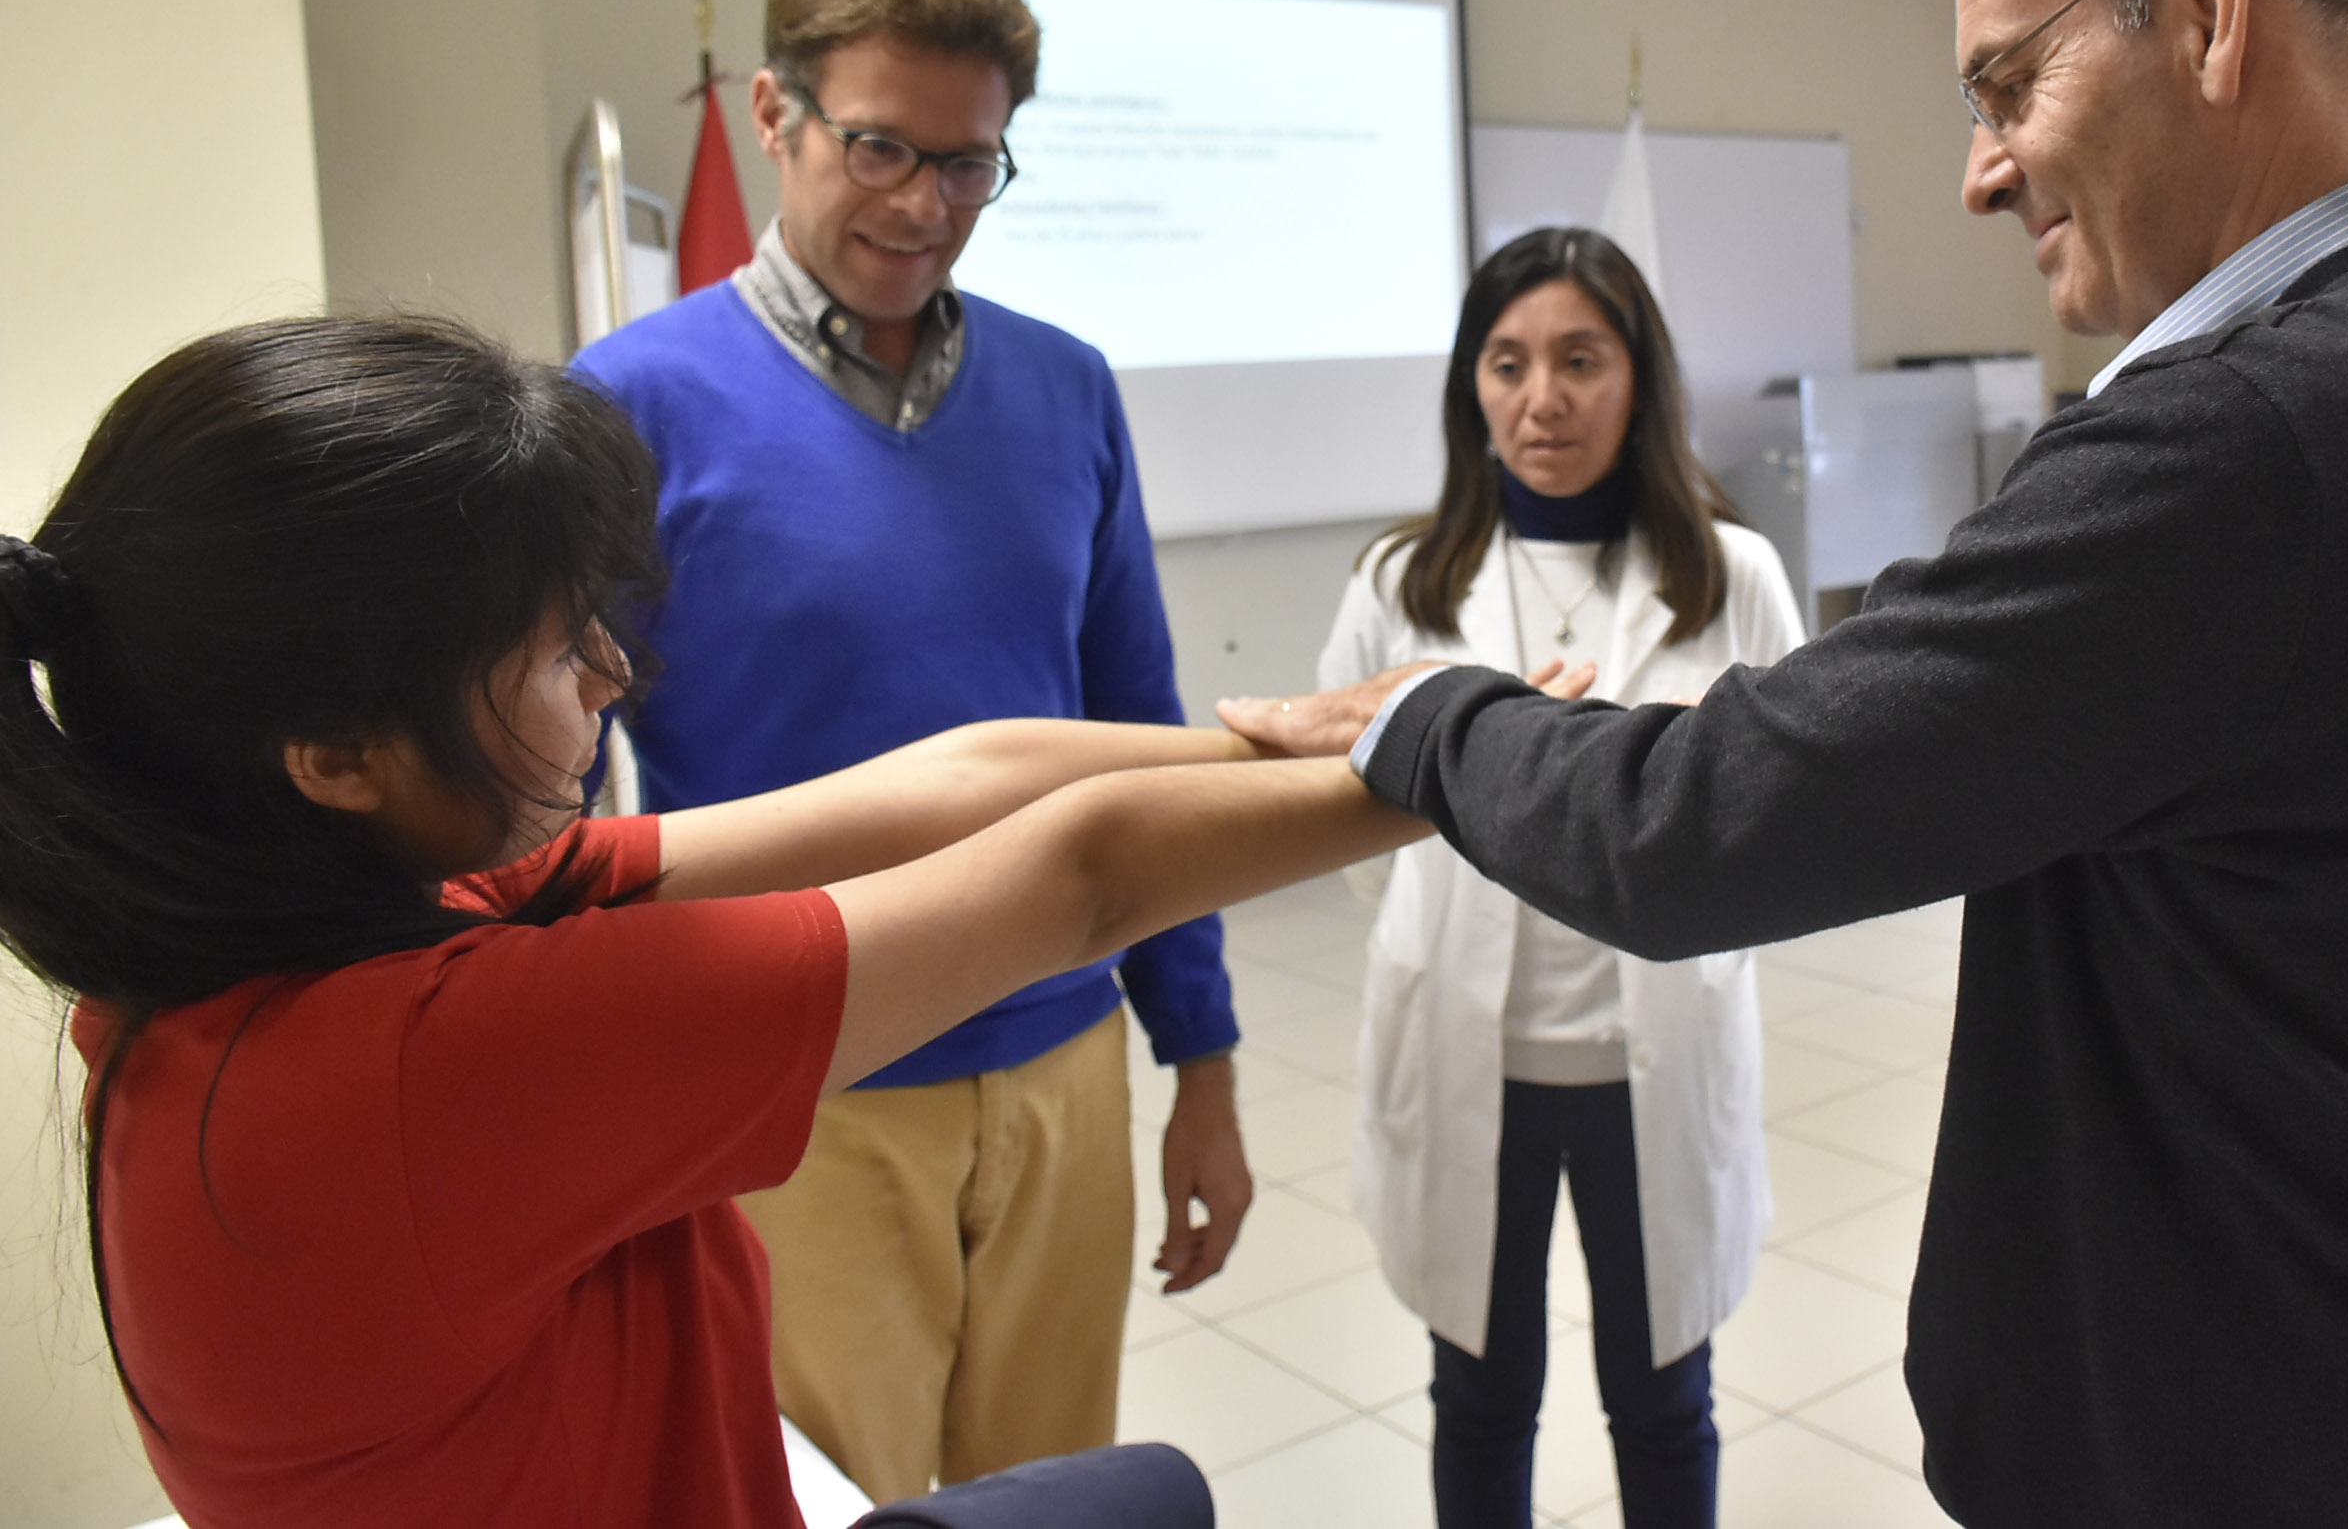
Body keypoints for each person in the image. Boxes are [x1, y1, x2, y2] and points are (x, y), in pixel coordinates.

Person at [1222, 0, 2348, 1529]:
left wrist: (1426, 714)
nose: (1983, 169)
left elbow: (1696, 819)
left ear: (2208, 10)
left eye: (2009, 82)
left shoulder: (2264, 434)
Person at [0, 317, 1426, 1529]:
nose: (614, 673)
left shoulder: (279, 936)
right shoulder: (425, 1066)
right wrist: (1459, 775)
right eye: (560, 645)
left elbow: (944, 786)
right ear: (340, 752)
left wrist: (1307, 750)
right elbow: (1080, 883)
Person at [571, 0, 1248, 1503]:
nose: (925, 206)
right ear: (773, 115)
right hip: (798, 1087)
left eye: (968, 164)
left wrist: (1202, 1060)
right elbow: (557, 767)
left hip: (1061, 1063)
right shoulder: (628, 404)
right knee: (839, 1491)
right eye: (882, 149)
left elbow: (1142, 729)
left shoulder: (1066, 386)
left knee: (1050, 1487)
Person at [1319, 227, 1803, 1527]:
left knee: (1663, 1401)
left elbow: (1778, 819)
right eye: (1509, 361)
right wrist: (1438, 931)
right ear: (1471, 385)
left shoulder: (1730, 576)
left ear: (1638, 379)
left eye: (1580, 359)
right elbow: (1349, 834)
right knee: (1479, 1398)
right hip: (1475, 1054)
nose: (1543, 399)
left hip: (1658, 1050)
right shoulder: (1400, 581)